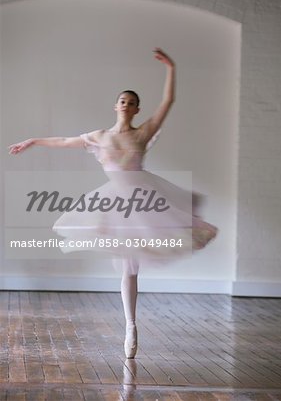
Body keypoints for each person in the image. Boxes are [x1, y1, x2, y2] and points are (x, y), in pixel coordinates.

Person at [8, 48, 217, 359]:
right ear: (115, 105)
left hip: (143, 199)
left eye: (132, 103)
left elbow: (168, 103)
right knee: (127, 267)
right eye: (123, 101)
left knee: (132, 265)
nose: (126, 105)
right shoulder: (99, 137)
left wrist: (171, 68)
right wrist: (34, 141)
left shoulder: (143, 133)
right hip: (114, 201)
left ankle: (131, 327)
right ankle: (131, 326)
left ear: (136, 109)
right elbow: (65, 142)